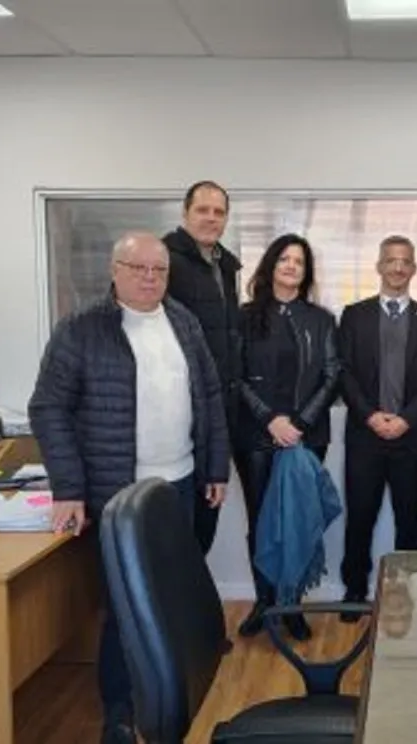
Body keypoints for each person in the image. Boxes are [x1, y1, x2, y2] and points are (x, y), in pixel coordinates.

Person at [28, 231, 229, 744]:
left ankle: (175, 699)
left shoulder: (184, 322)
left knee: (173, 598)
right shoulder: (82, 329)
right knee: (126, 609)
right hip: (117, 495)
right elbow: (47, 408)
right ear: (114, 270)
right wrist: (68, 489)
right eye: (138, 268)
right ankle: (119, 715)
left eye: (159, 270)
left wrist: (216, 468)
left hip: (180, 484)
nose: (149, 278)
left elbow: (209, 396)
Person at [235, 233, 340, 642]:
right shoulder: (244, 317)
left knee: (298, 519)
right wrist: (269, 420)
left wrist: (298, 423)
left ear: (306, 271)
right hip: (255, 436)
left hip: (306, 437)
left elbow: (332, 375)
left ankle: (292, 604)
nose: (292, 266)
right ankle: (265, 602)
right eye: (284, 259)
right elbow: (235, 377)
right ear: (271, 266)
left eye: (299, 261)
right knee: (261, 521)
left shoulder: (321, 319)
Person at [338, 235, 417, 617]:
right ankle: (354, 590)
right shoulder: (354, 316)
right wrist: (370, 415)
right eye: (391, 260)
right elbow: (344, 372)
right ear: (379, 266)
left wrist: (406, 419)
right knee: (360, 518)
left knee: (408, 519)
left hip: (410, 438)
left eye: (405, 261)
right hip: (364, 437)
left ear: (414, 268)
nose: (398, 267)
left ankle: (411, 590)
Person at [162, 180, 243, 554]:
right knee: (176, 529)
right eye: (202, 210)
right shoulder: (166, 260)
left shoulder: (225, 266)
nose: (211, 218)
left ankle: (190, 588)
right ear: (185, 213)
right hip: (179, 412)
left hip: (219, 411)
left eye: (219, 212)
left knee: (207, 517)